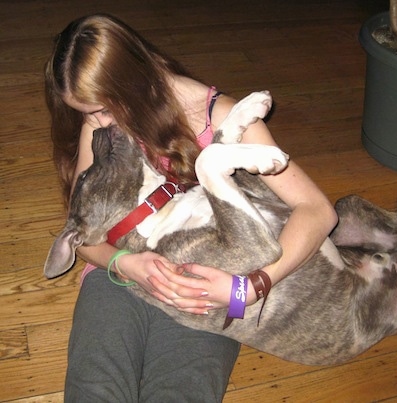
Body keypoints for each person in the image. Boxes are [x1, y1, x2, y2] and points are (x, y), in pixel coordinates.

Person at [44, 13, 338, 402]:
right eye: (86, 113)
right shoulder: (99, 124)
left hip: (206, 287)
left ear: (134, 81)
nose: (95, 123)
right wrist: (125, 264)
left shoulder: (221, 117)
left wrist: (247, 289)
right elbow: (83, 235)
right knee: (93, 389)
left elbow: (318, 211)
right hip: (118, 272)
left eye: (101, 109)